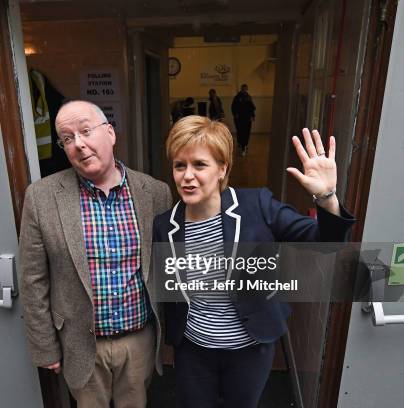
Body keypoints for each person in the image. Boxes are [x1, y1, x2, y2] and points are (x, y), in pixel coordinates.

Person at [152, 116, 355, 408]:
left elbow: (328, 243)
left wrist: (326, 197)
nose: (187, 175)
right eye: (179, 165)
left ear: (222, 169)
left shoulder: (256, 205)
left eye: (199, 164)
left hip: (250, 348)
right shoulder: (165, 225)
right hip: (194, 351)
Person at [19, 100, 172, 407]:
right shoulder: (42, 197)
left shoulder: (155, 193)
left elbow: (169, 266)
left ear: (110, 133)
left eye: (86, 131)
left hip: (138, 340)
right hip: (80, 344)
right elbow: (32, 279)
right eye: (67, 139)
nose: (79, 144)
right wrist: (45, 347)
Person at [231, 84, 256, 156]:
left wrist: (253, 116)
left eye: (246, 89)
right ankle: (241, 144)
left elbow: (252, 108)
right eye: (243, 89)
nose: (245, 90)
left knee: (247, 132)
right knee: (240, 131)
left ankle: (245, 145)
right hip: (239, 119)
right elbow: (233, 107)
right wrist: (235, 114)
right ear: (241, 89)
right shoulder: (237, 97)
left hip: (247, 118)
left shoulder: (249, 97)